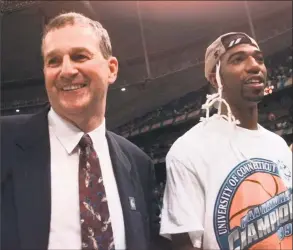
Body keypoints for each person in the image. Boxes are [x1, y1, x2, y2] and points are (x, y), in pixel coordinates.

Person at [1, 12, 165, 250]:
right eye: (53, 61)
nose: (66, 70)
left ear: (111, 69)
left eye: (79, 56)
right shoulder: (5, 141)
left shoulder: (138, 164)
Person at [160, 32, 293, 250]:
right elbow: (186, 245)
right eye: (238, 59)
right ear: (215, 78)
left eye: (258, 58)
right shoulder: (188, 150)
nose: (254, 66)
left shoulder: (277, 145)